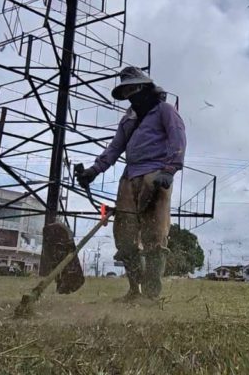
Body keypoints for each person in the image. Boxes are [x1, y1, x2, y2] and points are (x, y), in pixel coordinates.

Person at [76, 66, 186, 301]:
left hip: (156, 174)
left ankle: (151, 294)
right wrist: (93, 171)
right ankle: (134, 290)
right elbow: (115, 148)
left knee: (154, 237)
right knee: (125, 236)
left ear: (146, 89)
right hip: (130, 177)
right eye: (127, 92)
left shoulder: (165, 111)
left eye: (135, 90)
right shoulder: (128, 119)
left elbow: (178, 137)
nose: (132, 96)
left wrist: (170, 169)